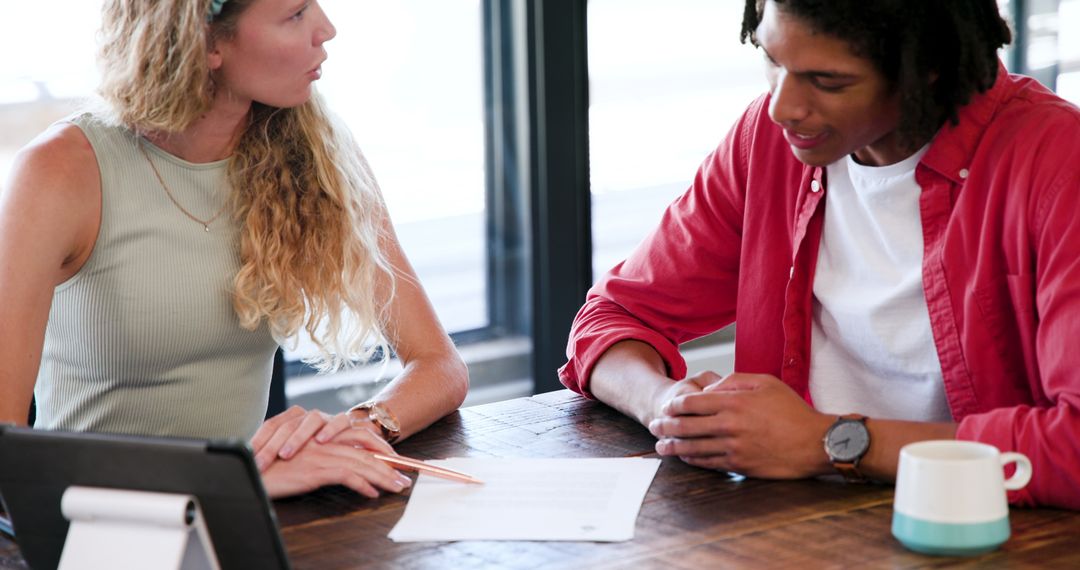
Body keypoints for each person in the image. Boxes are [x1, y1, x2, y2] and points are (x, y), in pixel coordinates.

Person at [560, 0, 1080, 509]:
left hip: (986, 534)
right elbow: (612, 316)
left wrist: (828, 442)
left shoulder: (1058, 164)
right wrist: (665, 405)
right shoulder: (767, 142)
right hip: (790, 524)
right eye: (772, 59)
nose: (783, 106)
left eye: (828, 81)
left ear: (929, 67)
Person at [0, 0, 468, 499]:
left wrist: (359, 428)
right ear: (208, 41)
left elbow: (439, 365)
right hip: (98, 524)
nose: (327, 29)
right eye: (295, 15)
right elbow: (7, 446)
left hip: (248, 508)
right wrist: (235, 480)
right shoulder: (59, 172)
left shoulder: (315, 150)